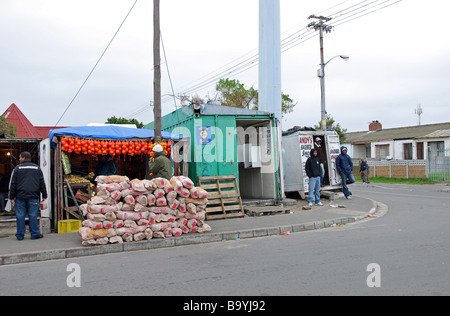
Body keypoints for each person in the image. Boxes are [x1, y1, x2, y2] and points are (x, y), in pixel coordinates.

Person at [9, 152, 47, 240]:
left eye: (20, 157)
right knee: (33, 215)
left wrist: (11, 197)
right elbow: (42, 182)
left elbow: (13, 184)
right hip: (33, 196)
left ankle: (20, 235)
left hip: (20, 196)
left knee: (20, 215)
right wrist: (44, 195)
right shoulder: (37, 168)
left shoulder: (17, 168)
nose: (19, 159)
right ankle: (34, 234)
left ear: (24, 158)